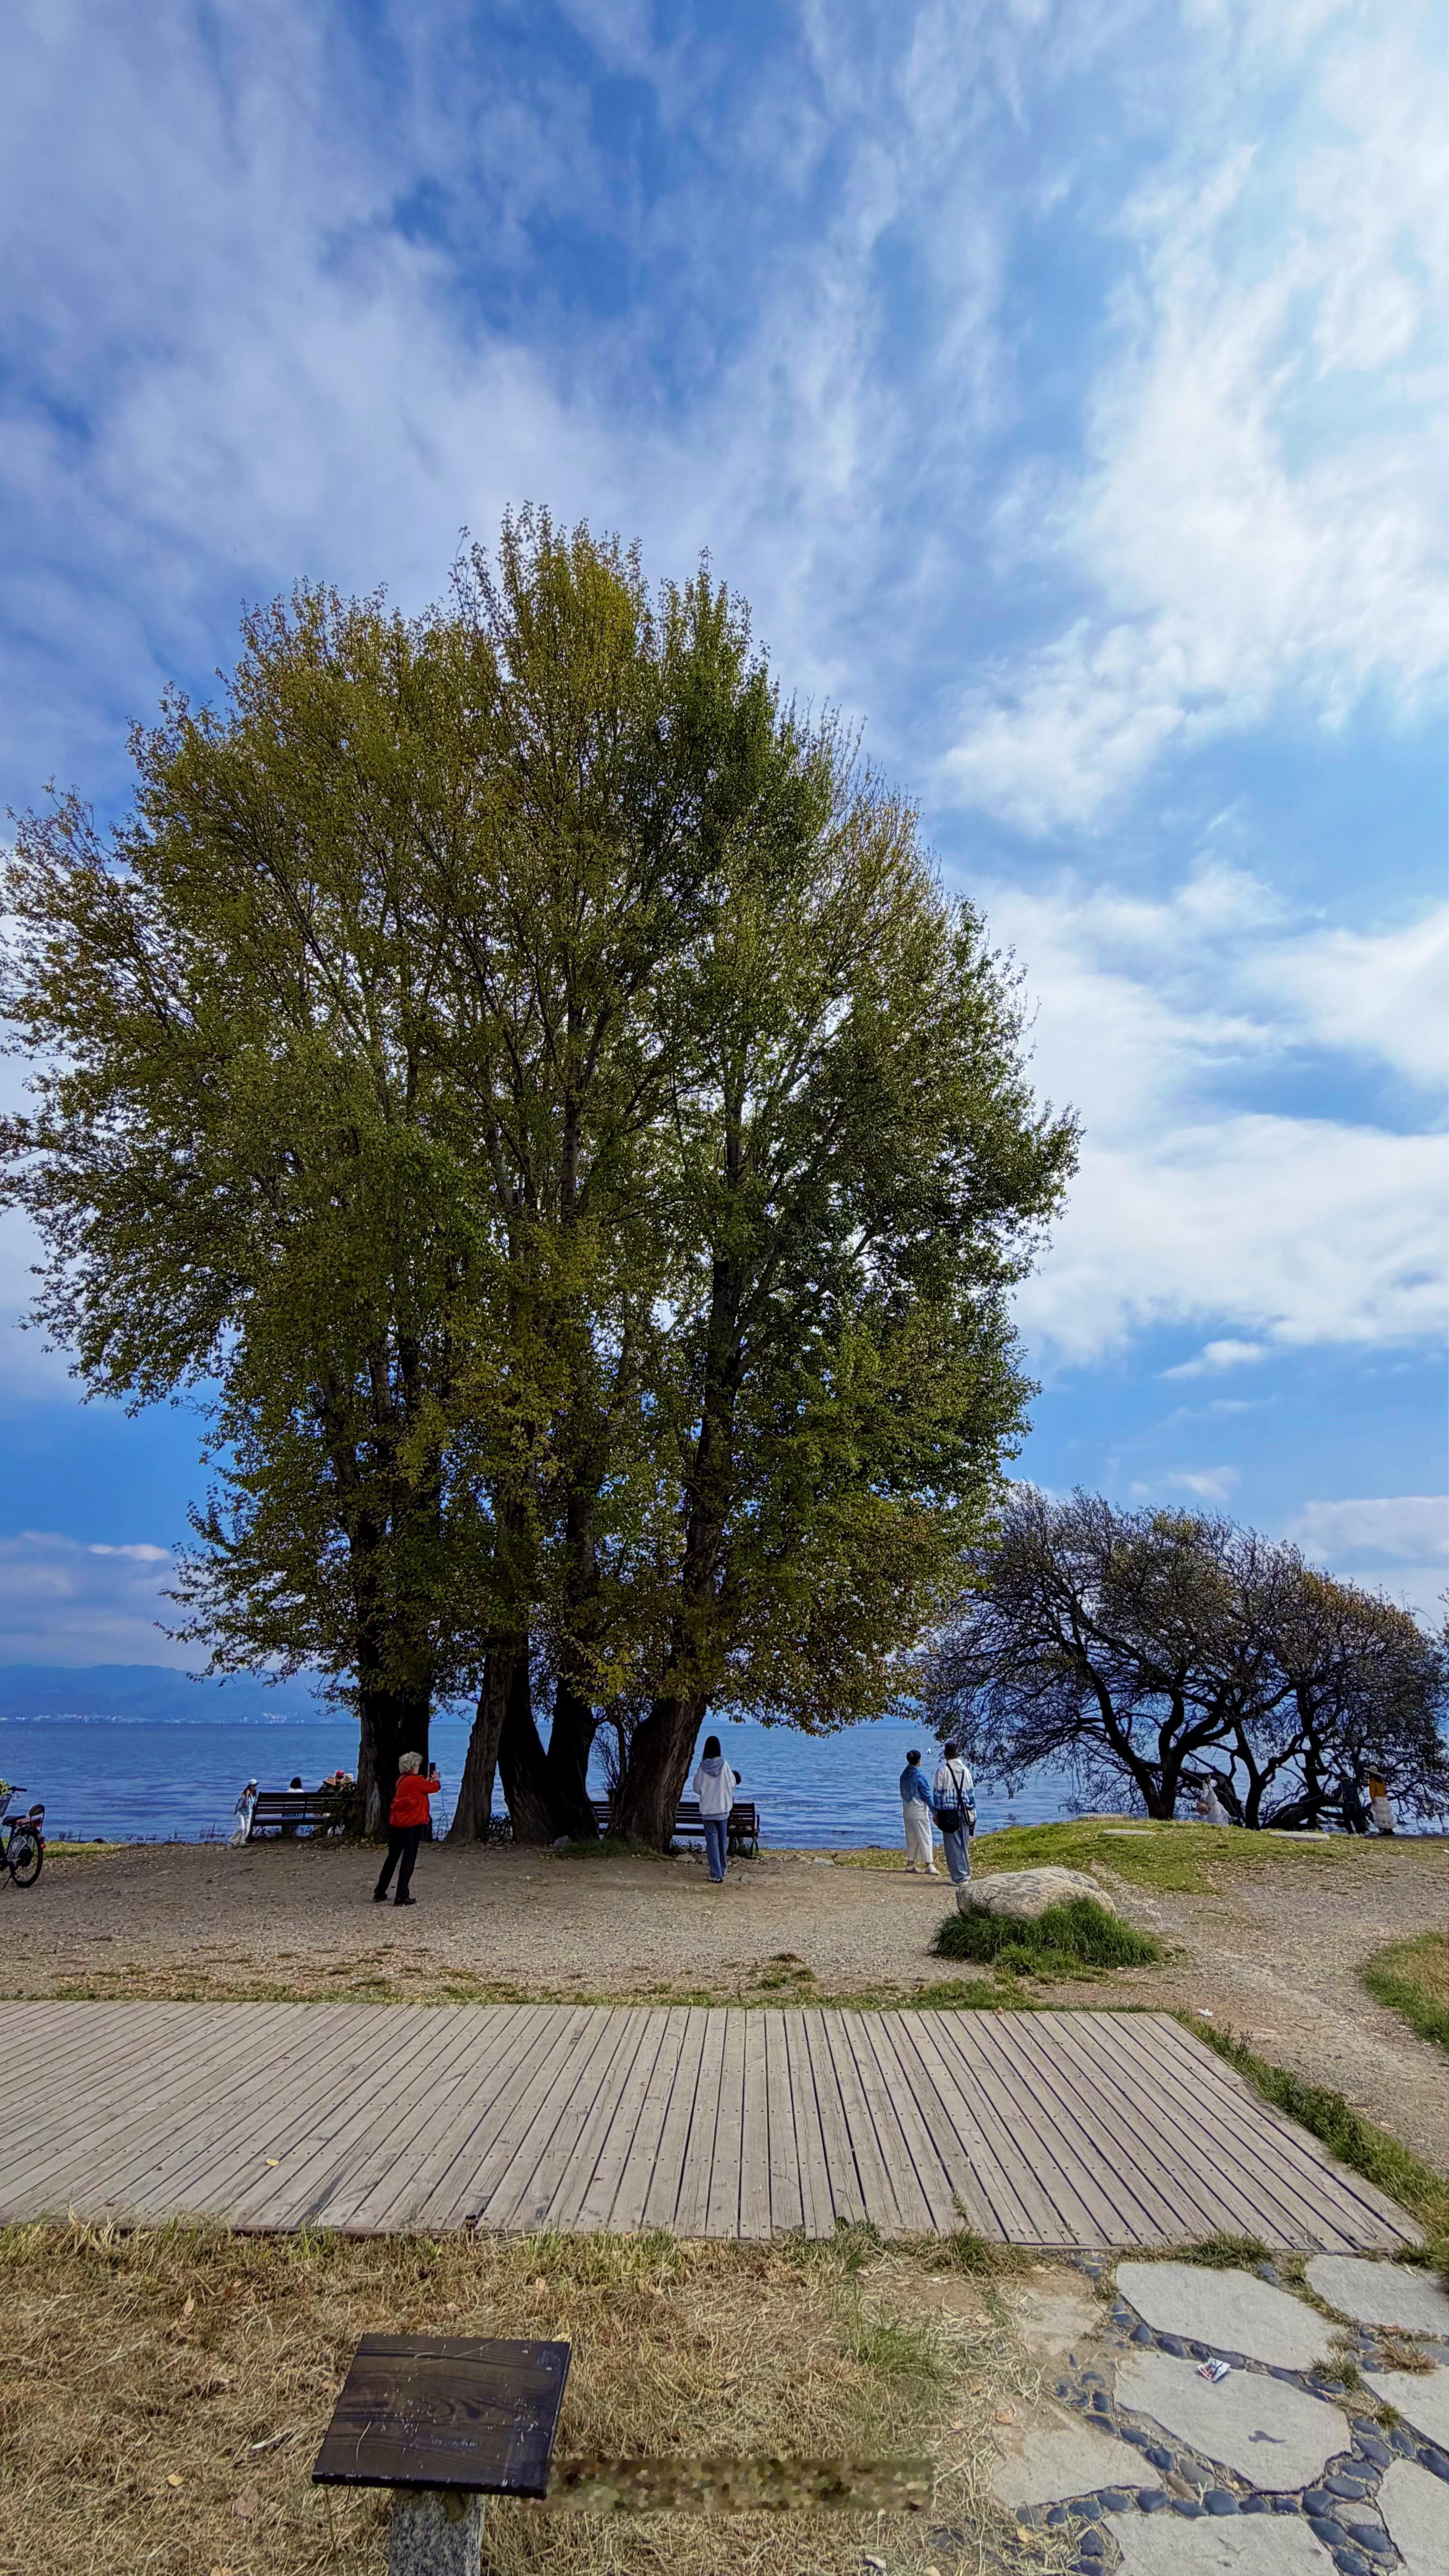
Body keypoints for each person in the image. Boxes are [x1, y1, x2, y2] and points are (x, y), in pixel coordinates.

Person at [373, 1751, 441, 1905]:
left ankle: (380, 1890)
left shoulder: (401, 1780)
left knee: (392, 1858)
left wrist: (427, 1782)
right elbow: (433, 1789)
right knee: (408, 1860)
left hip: (397, 1824)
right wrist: (435, 1780)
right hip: (412, 1825)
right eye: (417, 1765)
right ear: (413, 1767)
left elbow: (420, 1788)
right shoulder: (416, 1780)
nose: (419, 1768)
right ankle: (402, 1894)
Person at [692, 1734, 741, 1883]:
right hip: (723, 1808)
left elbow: (696, 1788)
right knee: (722, 1841)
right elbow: (732, 1784)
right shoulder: (725, 1765)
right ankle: (723, 1867)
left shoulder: (702, 1767)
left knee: (712, 1842)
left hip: (708, 1810)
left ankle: (716, 1874)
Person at [932, 1741, 976, 1886]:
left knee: (952, 1846)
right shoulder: (966, 1771)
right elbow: (971, 1794)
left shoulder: (943, 1771)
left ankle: (959, 1877)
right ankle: (966, 1873)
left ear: (946, 1755)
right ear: (957, 1754)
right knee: (964, 1844)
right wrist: (973, 1810)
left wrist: (936, 1812)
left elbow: (937, 1794)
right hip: (966, 1811)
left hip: (948, 1812)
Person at [899, 1749, 938, 1874]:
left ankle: (911, 1863)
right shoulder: (920, 1777)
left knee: (911, 1837)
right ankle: (929, 1864)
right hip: (919, 1810)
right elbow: (927, 1795)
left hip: (907, 1809)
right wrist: (935, 1811)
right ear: (919, 1761)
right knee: (925, 1836)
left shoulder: (903, 1776)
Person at [230, 1779, 258, 1845]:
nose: (255, 1787)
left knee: (247, 1830)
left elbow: (253, 1806)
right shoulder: (244, 1795)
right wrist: (247, 1796)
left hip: (249, 1814)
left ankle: (242, 1842)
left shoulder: (254, 1796)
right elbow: (244, 1805)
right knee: (241, 1828)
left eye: (255, 1785)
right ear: (250, 1786)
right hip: (241, 1813)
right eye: (253, 1786)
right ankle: (231, 1841)